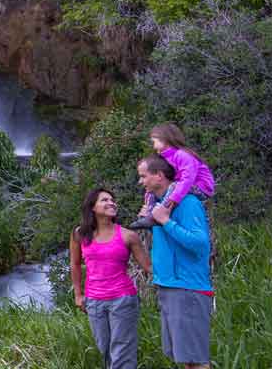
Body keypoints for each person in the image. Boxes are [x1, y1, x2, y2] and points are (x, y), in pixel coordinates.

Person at [138, 155, 213, 369]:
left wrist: (165, 222)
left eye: (144, 176)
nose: (141, 181)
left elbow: (200, 245)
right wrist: (153, 221)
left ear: (159, 176)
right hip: (169, 286)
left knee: (197, 360)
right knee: (187, 359)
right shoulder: (161, 206)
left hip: (187, 287)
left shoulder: (188, 203)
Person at [70, 187, 152, 369]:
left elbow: (149, 267)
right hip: (94, 302)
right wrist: (78, 294)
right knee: (105, 350)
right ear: (92, 207)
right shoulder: (80, 234)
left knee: (122, 353)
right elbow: (75, 264)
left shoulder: (128, 235)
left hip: (122, 300)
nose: (111, 203)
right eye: (104, 200)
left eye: (112, 200)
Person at [129, 123, 216, 231]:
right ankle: (149, 215)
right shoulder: (167, 156)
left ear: (165, 139)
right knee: (151, 192)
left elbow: (188, 178)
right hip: (184, 185)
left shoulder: (182, 155)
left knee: (174, 186)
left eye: (154, 141)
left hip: (201, 187)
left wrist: (175, 197)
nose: (153, 146)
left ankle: (162, 212)